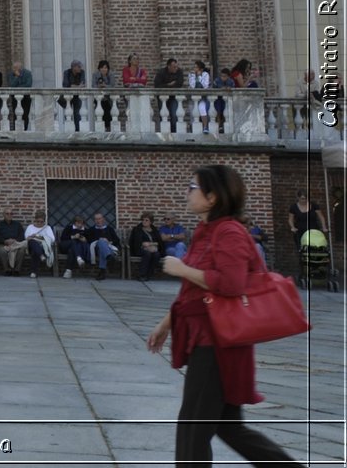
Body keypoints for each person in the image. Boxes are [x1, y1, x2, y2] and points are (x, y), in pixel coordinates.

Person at [146, 165, 303, 468]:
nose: (187, 193)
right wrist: (166, 324)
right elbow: (193, 292)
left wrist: (181, 268)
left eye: (193, 187)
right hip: (210, 337)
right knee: (227, 426)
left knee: (193, 426)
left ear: (213, 196)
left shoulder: (229, 232)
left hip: (218, 342)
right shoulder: (206, 231)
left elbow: (231, 284)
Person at [285, 192, 323, 274]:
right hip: (300, 232)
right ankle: (303, 271)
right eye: (302, 198)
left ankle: (316, 268)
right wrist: (292, 227)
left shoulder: (314, 205)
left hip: (314, 232)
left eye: (306, 198)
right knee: (302, 251)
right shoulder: (294, 207)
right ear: (298, 198)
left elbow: (321, 217)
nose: (304, 200)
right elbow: (290, 219)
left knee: (316, 250)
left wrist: (324, 227)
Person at [85, 212, 122, 279]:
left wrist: (108, 241)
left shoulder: (109, 229)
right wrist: (100, 240)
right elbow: (89, 240)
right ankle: (109, 258)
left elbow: (117, 240)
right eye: (96, 219)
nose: (98, 221)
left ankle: (102, 272)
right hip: (96, 249)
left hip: (110, 249)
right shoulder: (91, 230)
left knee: (102, 251)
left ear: (103, 219)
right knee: (101, 242)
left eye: (99, 219)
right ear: (94, 221)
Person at [130, 213, 163, 280]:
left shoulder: (154, 230)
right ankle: (142, 274)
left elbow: (159, 242)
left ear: (151, 222)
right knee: (147, 254)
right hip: (139, 249)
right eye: (143, 220)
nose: (144, 222)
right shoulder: (137, 229)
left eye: (146, 220)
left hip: (153, 248)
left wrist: (150, 245)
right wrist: (145, 245)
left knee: (157, 254)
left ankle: (149, 274)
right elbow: (136, 242)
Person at [0, 211, 27, 275]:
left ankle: (17, 270)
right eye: (7, 213)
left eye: (11, 213)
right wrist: (5, 241)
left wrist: (15, 240)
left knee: (22, 250)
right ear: (3, 215)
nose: (9, 215)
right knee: (1, 250)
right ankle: (7, 269)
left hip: (16, 244)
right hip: (3, 244)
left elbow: (22, 235)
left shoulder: (17, 224)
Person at [24, 209, 56, 277]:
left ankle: (33, 272)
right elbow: (26, 238)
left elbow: (52, 239)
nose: (39, 223)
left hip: (43, 247)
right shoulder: (30, 227)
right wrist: (32, 237)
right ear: (35, 220)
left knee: (35, 251)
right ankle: (41, 255)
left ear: (44, 221)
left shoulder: (47, 228)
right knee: (33, 242)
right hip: (30, 246)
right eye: (37, 221)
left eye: (41, 222)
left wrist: (41, 237)